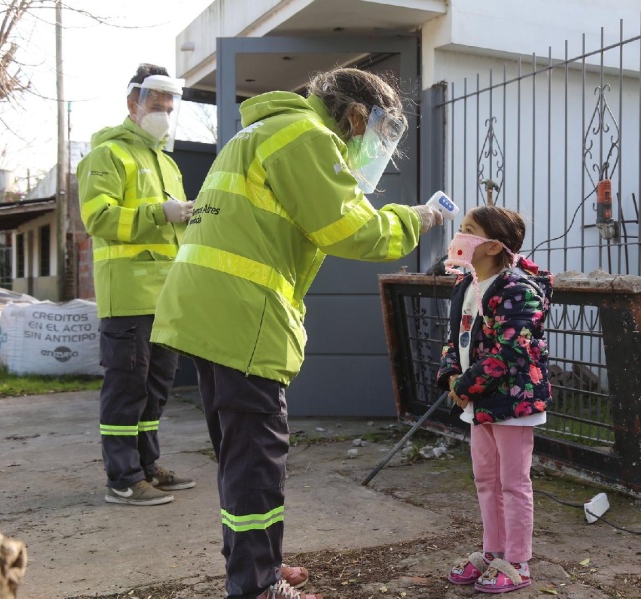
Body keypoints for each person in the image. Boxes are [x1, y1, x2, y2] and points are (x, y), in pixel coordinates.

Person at [150, 67, 443, 599]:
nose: (369, 142)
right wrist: (414, 219)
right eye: (374, 129)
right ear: (356, 114)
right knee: (257, 460)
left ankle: (256, 566)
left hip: (205, 310)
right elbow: (349, 229)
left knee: (240, 457)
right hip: (243, 316)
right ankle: (257, 585)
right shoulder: (307, 136)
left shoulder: (261, 131)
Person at [77, 63, 197, 507]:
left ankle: (147, 467)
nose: (163, 114)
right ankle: (122, 478)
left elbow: (174, 231)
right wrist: (159, 214)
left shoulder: (165, 161)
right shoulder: (106, 156)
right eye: (155, 105)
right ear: (133, 105)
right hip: (127, 296)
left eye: (169, 107)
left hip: (165, 295)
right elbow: (98, 219)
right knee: (127, 388)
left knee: (155, 387)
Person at [436, 205, 554, 594]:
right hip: (478, 401)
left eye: (469, 230)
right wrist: (452, 376)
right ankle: (492, 553)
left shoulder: (517, 289)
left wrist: (465, 386)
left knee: (513, 482)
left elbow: (511, 351)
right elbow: (454, 339)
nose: (460, 236)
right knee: (486, 479)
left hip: (512, 403)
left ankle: (518, 561)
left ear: (491, 245)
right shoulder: (466, 286)